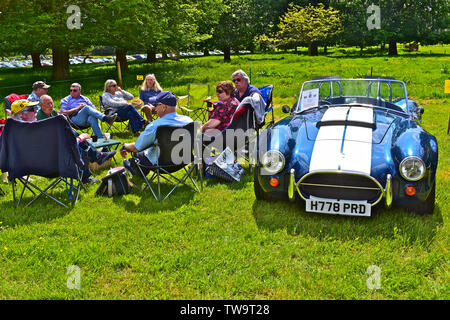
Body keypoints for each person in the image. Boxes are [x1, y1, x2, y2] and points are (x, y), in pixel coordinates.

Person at [34, 95, 116, 174]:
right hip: (54, 147)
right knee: (78, 144)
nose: (51, 105)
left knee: (80, 145)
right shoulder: (41, 115)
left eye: (51, 103)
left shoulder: (53, 112)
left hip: (63, 140)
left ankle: (97, 158)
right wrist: (80, 137)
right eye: (48, 103)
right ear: (41, 106)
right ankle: (98, 157)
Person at [120, 91, 193, 175]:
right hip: (183, 161)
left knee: (138, 153)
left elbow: (136, 147)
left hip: (161, 165)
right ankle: (134, 167)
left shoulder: (155, 125)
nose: (154, 108)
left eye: (156, 105)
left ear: (164, 107)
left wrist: (124, 146)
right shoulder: (189, 121)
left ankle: (134, 169)